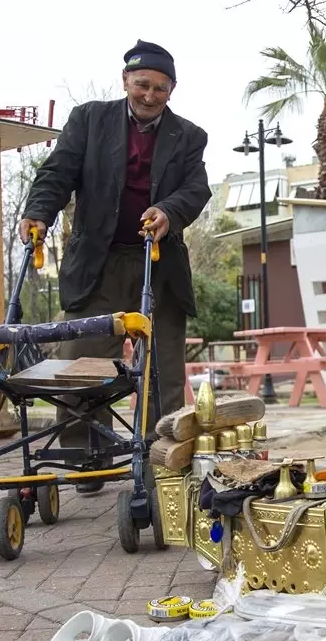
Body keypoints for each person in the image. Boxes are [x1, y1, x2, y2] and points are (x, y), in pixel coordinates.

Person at [19, 40, 211, 493]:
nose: (150, 95)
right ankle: (88, 456)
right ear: (125, 80)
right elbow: (58, 171)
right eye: (142, 84)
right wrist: (39, 212)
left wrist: (168, 210)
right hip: (98, 263)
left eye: (161, 88)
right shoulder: (89, 119)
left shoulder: (189, 136)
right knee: (83, 361)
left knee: (163, 369)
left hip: (158, 263)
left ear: (172, 89)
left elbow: (195, 189)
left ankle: (161, 459)